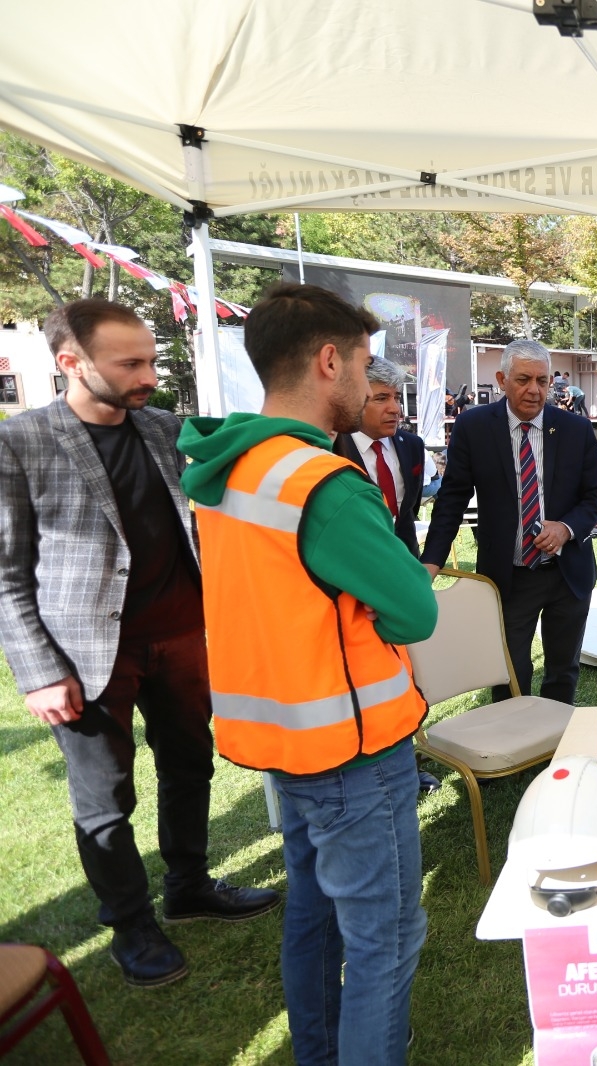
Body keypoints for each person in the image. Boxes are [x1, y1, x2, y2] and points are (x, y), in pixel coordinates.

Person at [178, 282, 437, 1065]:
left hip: (282, 742)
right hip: (352, 753)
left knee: (314, 919)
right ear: (330, 361)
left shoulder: (230, 468)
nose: (369, 383)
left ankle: (317, 1053)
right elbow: (415, 610)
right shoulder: (321, 484)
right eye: (362, 364)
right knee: (386, 943)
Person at [0, 299, 279, 989]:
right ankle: (130, 925)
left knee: (192, 766)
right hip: (89, 654)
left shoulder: (165, 428)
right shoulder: (21, 440)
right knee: (105, 797)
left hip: (182, 639)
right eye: (131, 363)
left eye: (152, 360)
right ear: (71, 362)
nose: (149, 374)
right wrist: (38, 671)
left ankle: (188, 887)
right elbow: (5, 571)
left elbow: (240, 459)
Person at [420, 338, 597, 704]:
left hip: (567, 573)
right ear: (501, 379)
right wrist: (431, 561)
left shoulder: (574, 429)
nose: (534, 390)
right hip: (509, 575)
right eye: (523, 380)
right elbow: (452, 498)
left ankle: (554, 741)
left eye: (542, 380)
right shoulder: (473, 427)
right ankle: (511, 745)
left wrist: (566, 528)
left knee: (562, 669)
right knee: (507, 670)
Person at [333, 357, 436, 556]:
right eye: (381, 398)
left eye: (396, 397)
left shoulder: (413, 446)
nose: (395, 408)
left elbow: (408, 511)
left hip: (405, 562)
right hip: (353, 566)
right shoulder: (334, 448)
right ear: (353, 399)